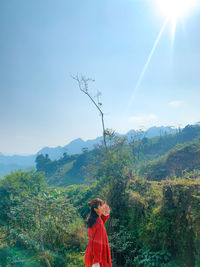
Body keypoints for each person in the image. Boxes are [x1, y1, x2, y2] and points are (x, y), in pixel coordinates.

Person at [84, 198, 112, 267]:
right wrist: (96, 261)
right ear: (95, 209)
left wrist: (106, 212)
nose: (103, 207)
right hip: (97, 259)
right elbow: (97, 243)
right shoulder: (98, 222)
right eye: (101, 206)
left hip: (91, 255)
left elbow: (102, 220)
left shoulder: (95, 219)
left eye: (102, 205)